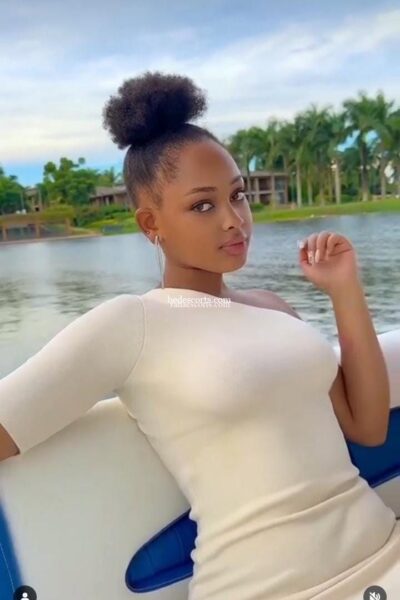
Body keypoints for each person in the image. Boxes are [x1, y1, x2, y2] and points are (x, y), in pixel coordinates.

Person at [0, 71, 399, 600]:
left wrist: (344, 290)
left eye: (239, 196)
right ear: (151, 224)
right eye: (203, 205)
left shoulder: (275, 307)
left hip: (385, 550)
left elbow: (368, 427)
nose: (235, 220)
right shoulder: (133, 324)